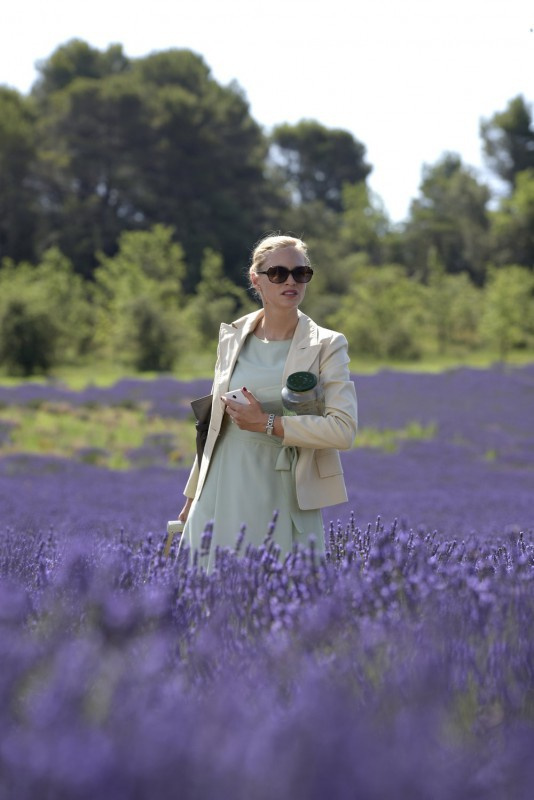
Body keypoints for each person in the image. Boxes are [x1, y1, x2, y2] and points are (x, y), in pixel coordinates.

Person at [177, 234, 357, 568]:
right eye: (278, 273)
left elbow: (342, 430)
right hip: (220, 486)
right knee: (206, 604)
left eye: (301, 273)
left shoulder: (327, 345)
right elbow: (213, 425)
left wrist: (269, 424)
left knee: (281, 603)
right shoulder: (233, 335)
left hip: (280, 487)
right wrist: (191, 497)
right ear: (255, 279)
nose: (291, 281)